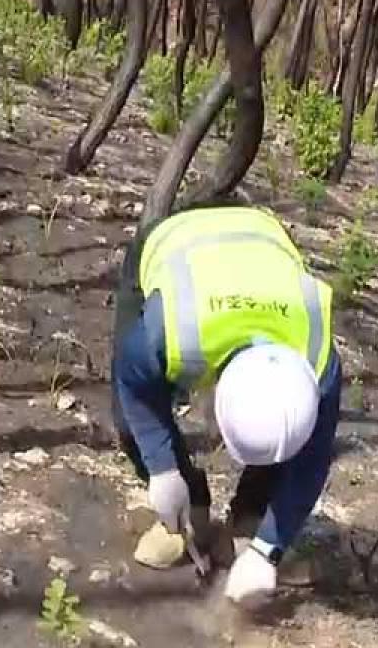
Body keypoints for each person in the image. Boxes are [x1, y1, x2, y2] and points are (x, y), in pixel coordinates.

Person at [110, 200, 342, 602]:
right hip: (172, 240)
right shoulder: (168, 333)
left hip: (261, 236)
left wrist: (269, 548)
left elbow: (311, 462)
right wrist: (163, 470)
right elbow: (132, 384)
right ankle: (186, 511)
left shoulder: (318, 363)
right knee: (129, 419)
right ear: (216, 400)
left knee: (288, 437)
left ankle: (249, 519)